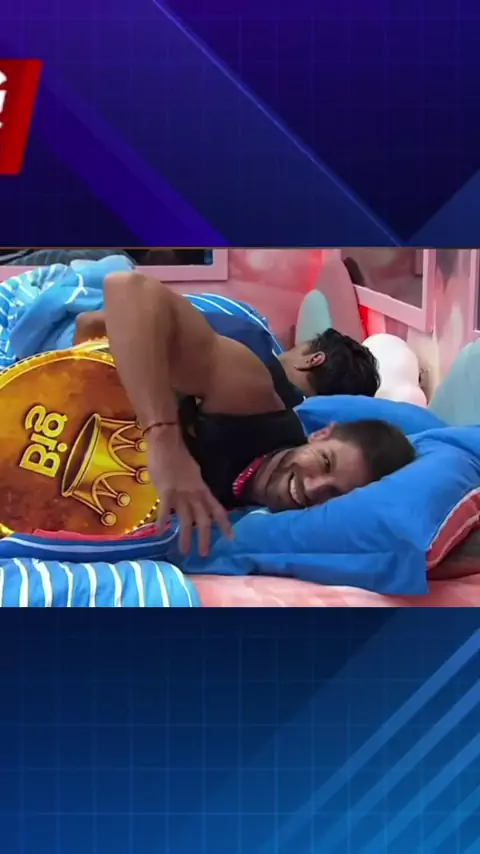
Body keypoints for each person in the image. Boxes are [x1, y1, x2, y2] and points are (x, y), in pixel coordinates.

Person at [103, 272, 416, 555]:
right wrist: (164, 438)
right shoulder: (252, 399)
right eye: (325, 462)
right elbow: (128, 288)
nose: (313, 488)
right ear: (321, 434)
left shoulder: (257, 523)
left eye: (333, 494)